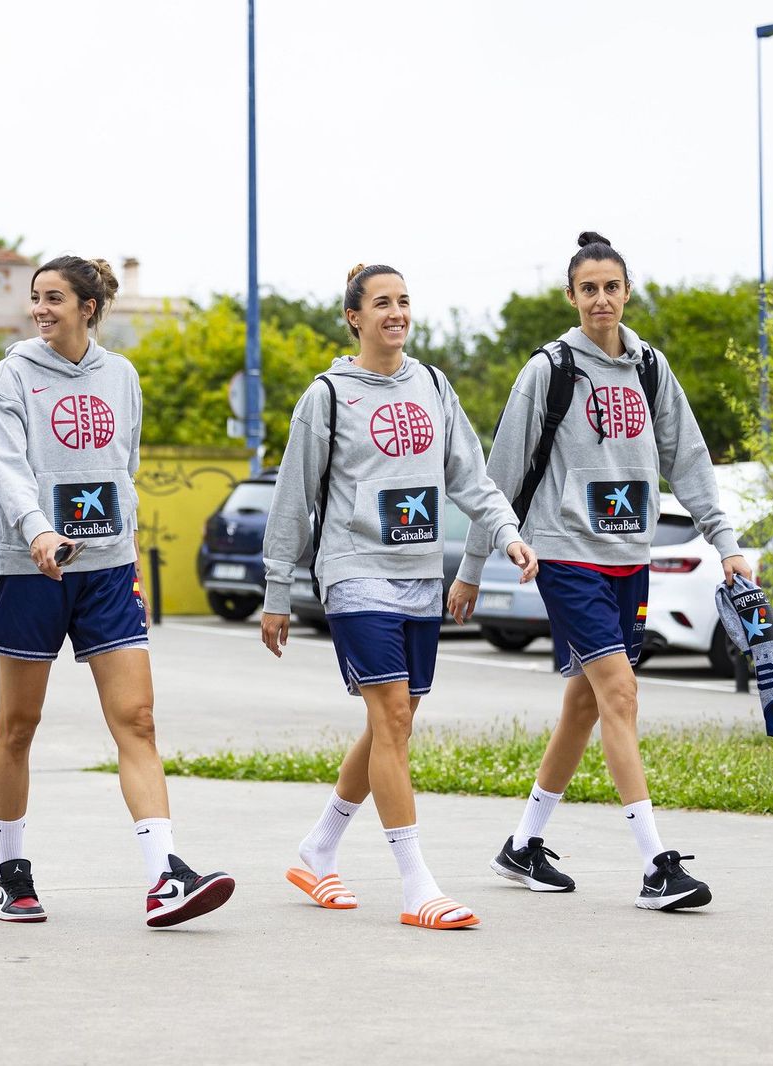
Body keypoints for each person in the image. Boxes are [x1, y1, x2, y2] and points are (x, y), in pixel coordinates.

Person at [449, 232, 751, 912]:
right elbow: (499, 475)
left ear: (626, 291)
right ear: (572, 296)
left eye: (611, 286)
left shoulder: (650, 368)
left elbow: (692, 459)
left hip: (628, 559)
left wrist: (725, 542)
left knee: (586, 705)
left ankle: (522, 844)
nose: (601, 299)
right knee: (619, 693)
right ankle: (655, 865)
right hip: (566, 556)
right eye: (589, 288)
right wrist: (471, 566)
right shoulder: (550, 370)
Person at [261, 264, 537, 930]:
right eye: (382, 303)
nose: (397, 313)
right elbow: (294, 496)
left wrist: (506, 534)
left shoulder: (433, 385)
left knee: (396, 721)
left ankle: (317, 848)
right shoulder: (327, 396)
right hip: (354, 571)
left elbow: (471, 476)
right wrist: (277, 586)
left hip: (418, 575)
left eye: (404, 302)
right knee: (389, 716)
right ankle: (416, 885)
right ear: (354, 317)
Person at [0, 255, 235, 929]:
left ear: (87, 308)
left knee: (139, 720)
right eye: (37, 298)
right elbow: (8, 467)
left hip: (107, 572)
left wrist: (130, 565)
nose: (41, 308)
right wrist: (38, 533)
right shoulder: (14, 374)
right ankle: (12, 872)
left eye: (54, 298)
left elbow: (125, 470)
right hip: (31, 570)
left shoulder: (121, 376)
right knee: (19, 726)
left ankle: (164, 876)